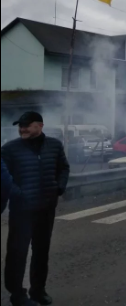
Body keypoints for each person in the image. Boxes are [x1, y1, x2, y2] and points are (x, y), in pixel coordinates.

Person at [2, 112, 70, 306]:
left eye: (26, 125)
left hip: (46, 208)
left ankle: (38, 290)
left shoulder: (54, 145)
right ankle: (17, 294)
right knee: (17, 253)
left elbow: (63, 168)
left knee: (41, 251)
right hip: (21, 211)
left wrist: (59, 187)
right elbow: (3, 177)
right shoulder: (10, 149)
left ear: (40, 125)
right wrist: (18, 194)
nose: (22, 129)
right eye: (20, 126)